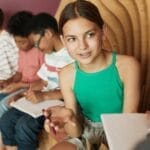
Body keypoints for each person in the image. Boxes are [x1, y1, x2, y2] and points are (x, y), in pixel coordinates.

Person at [43, 1, 141, 150]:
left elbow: (127, 122)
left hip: (119, 127)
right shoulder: (66, 74)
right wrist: (70, 118)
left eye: (89, 35)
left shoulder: (128, 66)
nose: (82, 46)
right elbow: (75, 132)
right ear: (63, 40)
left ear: (103, 31)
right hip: (86, 128)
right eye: (72, 39)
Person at [0, 12, 73, 150]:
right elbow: (43, 81)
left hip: (59, 101)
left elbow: (74, 89)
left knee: (24, 125)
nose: (37, 48)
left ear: (48, 33)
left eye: (37, 43)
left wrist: (44, 95)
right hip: (43, 99)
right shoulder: (49, 55)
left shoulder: (71, 54)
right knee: (6, 119)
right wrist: (24, 94)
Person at [0, 11, 44, 150]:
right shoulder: (22, 50)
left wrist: (17, 85)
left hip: (32, 88)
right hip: (22, 86)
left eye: (22, 42)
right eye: (17, 42)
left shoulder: (41, 51)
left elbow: (43, 82)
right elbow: (19, 72)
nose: (18, 46)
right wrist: (8, 81)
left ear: (33, 36)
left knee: (2, 106)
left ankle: (5, 144)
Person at [0, 8, 18, 150]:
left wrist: (7, 82)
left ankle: (5, 144)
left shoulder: (7, 40)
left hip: (11, 82)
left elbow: (18, 69)